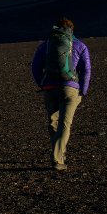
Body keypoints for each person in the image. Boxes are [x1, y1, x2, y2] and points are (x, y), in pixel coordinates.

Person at [31, 17, 91, 171]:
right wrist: (82, 91)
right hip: (70, 88)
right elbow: (86, 70)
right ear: (71, 30)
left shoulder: (46, 45)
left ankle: (58, 154)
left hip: (50, 87)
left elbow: (35, 67)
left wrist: (42, 84)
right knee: (65, 123)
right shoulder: (79, 45)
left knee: (53, 121)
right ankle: (58, 159)